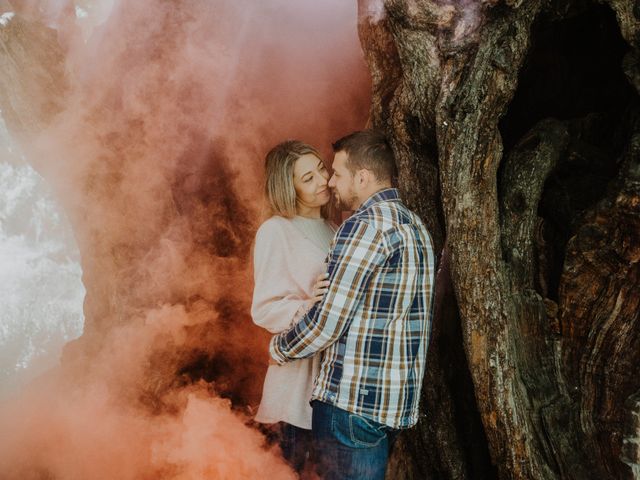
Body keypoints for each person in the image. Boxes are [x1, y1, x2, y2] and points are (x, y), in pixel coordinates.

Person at [270, 130, 436, 480]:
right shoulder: (414, 225)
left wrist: (280, 347)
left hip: (352, 404)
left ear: (362, 177)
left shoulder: (363, 227)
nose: (330, 182)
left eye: (337, 173)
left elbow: (327, 323)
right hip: (392, 405)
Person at [251, 140, 335, 475]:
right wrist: (309, 305)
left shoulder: (335, 228)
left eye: (321, 170)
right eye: (308, 178)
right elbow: (265, 309)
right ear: (289, 188)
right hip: (293, 391)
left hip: (331, 386)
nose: (322, 181)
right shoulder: (275, 231)